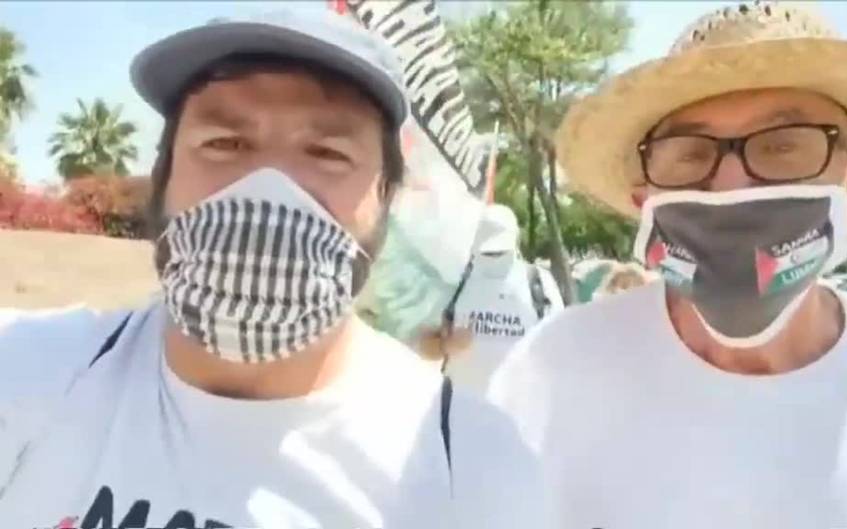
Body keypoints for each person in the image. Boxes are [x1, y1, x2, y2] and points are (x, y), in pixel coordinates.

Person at [0, 12, 545, 529]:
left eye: (327, 152)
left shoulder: (472, 467)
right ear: (163, 175)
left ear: (387, 198)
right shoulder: (29, 374)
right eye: (225, 143)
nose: (268, 187)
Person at [489, 2, 847, 528]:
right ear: (646, 204)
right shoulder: (550, 373)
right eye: (691, 154)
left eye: (783, 146)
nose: (731, 186)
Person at [434, 204, 563, 393]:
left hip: (521, 408)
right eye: (488, 253)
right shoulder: (455, 280)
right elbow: (422, 339)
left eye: (500, 252)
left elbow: (559, 344)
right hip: (461, 410)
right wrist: (445, 345)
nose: (493, 258)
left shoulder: (538, 281)